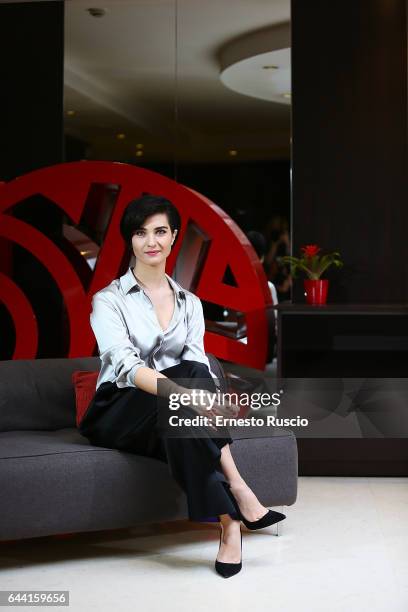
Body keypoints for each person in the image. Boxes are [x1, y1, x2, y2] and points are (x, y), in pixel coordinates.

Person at [78, 194, 285, 578]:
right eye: (141, 233)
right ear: (130, 240)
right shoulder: (108, 300)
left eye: (160, 231)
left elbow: (197, 363)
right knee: (179, 397)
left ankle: (229, 524)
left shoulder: (190, 302)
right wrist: (190, 396)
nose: (151, 241)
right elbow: (126, 365)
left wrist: (193, 395)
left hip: (172, 410)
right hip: (118, 408)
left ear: (174, 237)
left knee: (189, 376)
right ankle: (239, 488)